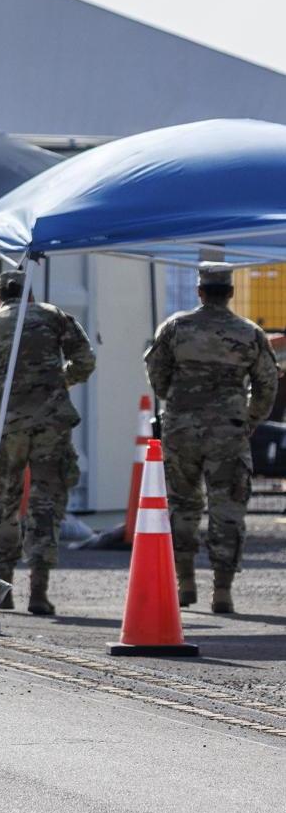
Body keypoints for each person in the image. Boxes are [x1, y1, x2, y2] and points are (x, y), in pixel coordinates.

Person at [145, 261, 280, 613]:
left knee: (182, 504)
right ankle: (222, 590)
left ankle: (185, 581)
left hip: (181, 428)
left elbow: (157, 373)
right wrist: (251, 418)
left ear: (200, 291)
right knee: (227, 508)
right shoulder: (249, 332)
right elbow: (267, 383)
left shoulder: (176, 327)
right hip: (228, 431)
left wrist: (174, 402)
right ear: (231, 293)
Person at [0, 269, 96, 614]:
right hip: (52, 424)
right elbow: (86, 359)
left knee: (6, 501)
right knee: (46, 501)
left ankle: (3, 587)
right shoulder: (53, 316)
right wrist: (61, 381)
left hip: (9, 425)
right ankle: (39, 590)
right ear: (30, 295)